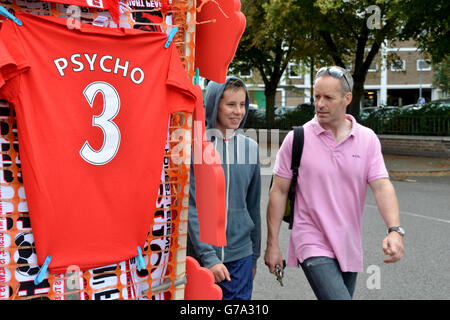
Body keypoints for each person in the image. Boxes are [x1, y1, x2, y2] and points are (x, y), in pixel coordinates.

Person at [264, 66, 404, 300]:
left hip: (348, 242)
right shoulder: (297, 138)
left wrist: (395, 230)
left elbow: (382, 186)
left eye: (328, 97)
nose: (320, 104)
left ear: (346, 99)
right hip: (310, 239)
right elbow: (278, 191)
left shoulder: (367, 139)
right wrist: (272, 244)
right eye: (317, 96)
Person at [187, 76, 261, 300]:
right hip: (202, 258)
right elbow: (191, 206)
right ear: (214, 103)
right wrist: (209, 257)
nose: (238, 111)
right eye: (231, 104)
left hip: (241, 255)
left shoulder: (251, 147)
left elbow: (253, 204)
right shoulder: (196, 147)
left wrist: (254, 256)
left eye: (242, 104)